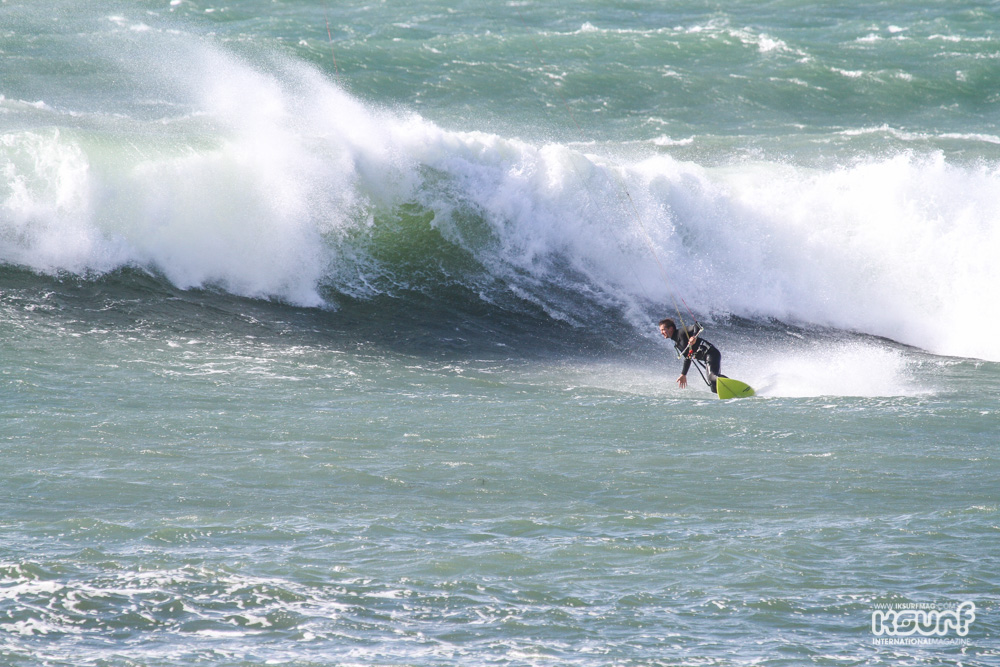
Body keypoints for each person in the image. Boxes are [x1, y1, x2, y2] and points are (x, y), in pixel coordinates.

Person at [659, 317, 725, 393]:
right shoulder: (677, 343)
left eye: (663, 330)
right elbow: (688, 358)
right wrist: (683, 374)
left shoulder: (681, 332)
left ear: (670, 329)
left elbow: (698, 326)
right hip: (707, 358)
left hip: (711, 353)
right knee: (714, 387)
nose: (661, 332)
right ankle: (731, 392)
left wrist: (694, 336)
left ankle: (734, 385)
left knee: (712, 377)